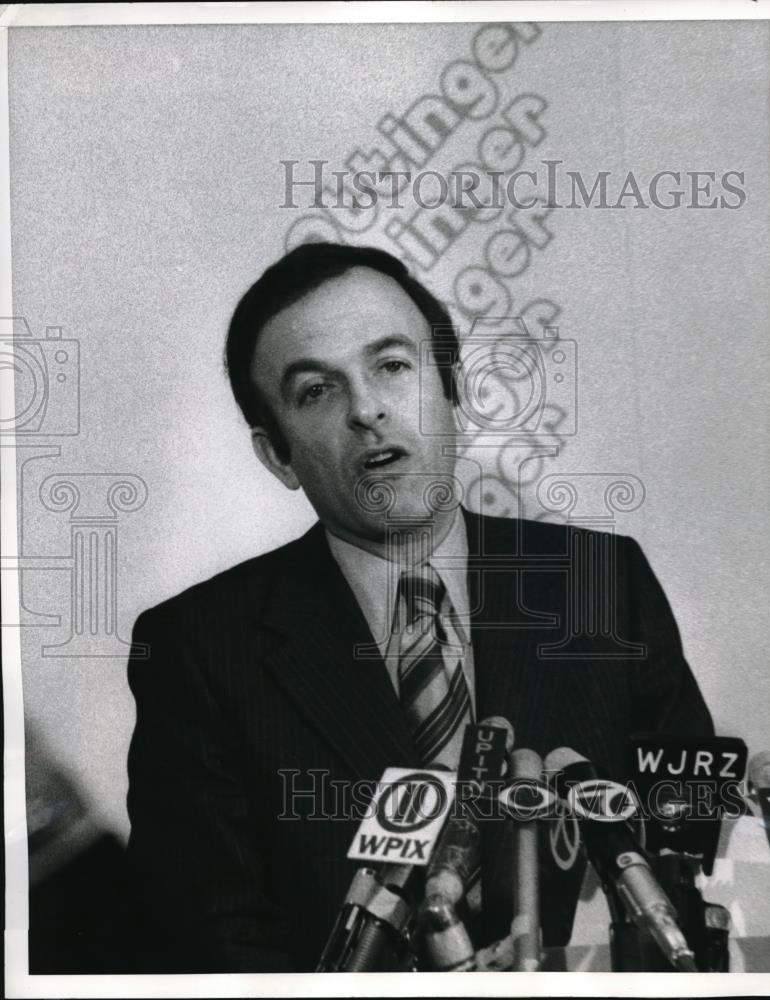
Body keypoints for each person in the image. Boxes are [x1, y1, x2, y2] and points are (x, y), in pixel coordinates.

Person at [125, 242, 714, 973]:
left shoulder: (602, 582)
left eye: (392, 366)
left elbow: (690, 855)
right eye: (316, 391)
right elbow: (212, 942)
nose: (366, 409)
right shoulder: (196, 648)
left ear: (451, 389)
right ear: (277, 455)